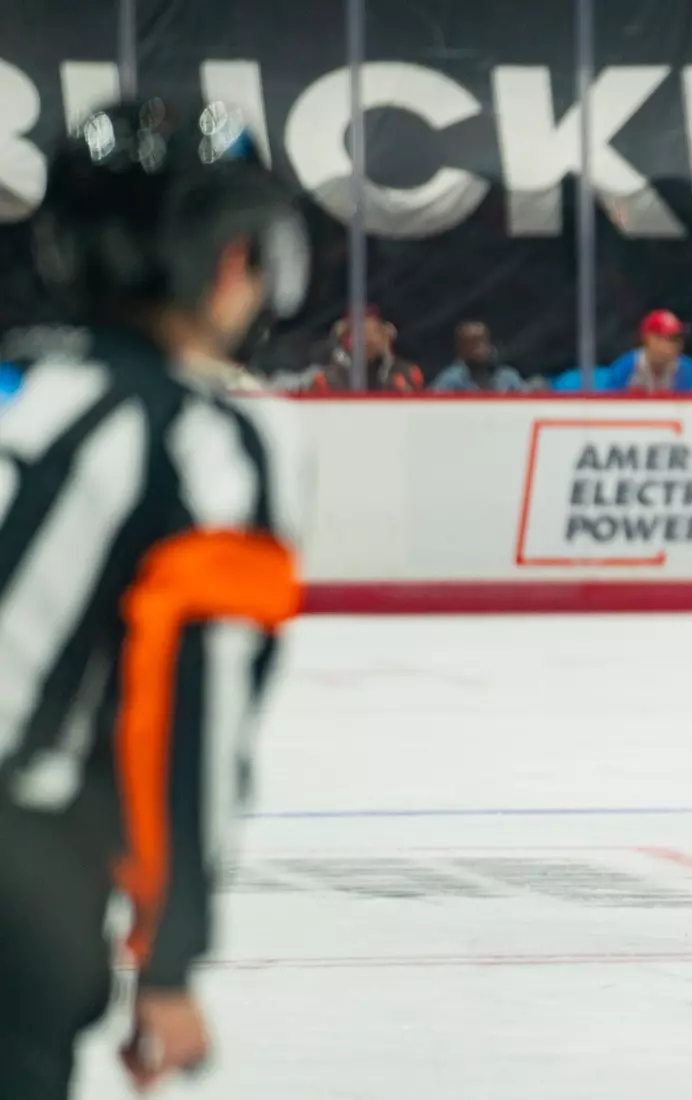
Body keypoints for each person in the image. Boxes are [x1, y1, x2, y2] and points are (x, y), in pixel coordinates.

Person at [0, 97, 309, 1099]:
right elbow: (185, 706)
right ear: (227, 263)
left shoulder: (28, 391)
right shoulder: (209, 442)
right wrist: (169, 957)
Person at [555, 309, 692, 392]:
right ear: (649, 339)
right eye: (666, 338)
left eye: (677, 339)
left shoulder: (688, 369)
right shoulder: (627, 366)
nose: (673, 345)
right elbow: (609, 404)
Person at [430, 321, 527, 392]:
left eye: (482, 342)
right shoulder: (451, 379)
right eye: (472, 344)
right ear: (460, 349)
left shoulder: (507, 376)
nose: (479, 349)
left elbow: (529, 403)